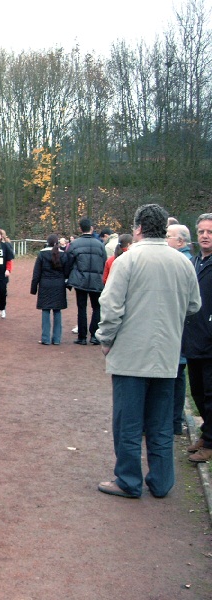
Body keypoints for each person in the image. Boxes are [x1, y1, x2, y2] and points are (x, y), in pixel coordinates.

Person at [95, 204, 200, 498]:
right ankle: (162, 481)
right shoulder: (182, 262)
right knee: (161, 423)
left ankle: (129, 480)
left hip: (130, 356)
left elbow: (111, 306)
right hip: (166, 354)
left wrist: (105, 339)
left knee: (128, 424)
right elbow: (194, 305)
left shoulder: (127, 260)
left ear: (139, 227)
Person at [183, 213, 212, 463]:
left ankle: (211, 442)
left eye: (210, 232)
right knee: (198, 392)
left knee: (211, 394)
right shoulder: (193, 262)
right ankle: (207, 432)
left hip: (210, 340)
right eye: (201, 231)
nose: (205, 236)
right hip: (193, 338)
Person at [167, 224, 194, 435]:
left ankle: (173, 422)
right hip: (181, 329)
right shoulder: (185, 260)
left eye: (168, 236)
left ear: (180, 241)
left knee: (175, 376)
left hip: (180, 330)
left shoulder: (182, 262)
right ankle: (173, 421)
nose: (165, 239)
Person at [66, 217, 106, 345]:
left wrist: (68, 278)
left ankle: (82, 337)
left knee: (81, 308)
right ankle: (94, 335)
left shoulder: (74, 244)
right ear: (92, 228)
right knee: (97, 307)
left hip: (80, 280)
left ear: (80, 229)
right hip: (96, 280)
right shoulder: (100, 245)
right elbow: (104, 262)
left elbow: (68, 262)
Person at [30, 234, 69, 345]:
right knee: (57, 310)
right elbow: (67, 272)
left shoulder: (42, 254)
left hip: (45, 285)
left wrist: (33, 289)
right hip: (59, 285)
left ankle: (45, 338)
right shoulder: (63, 255)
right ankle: (57, 339)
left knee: (45, 310)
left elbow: (36, 273)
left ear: (47, 242)